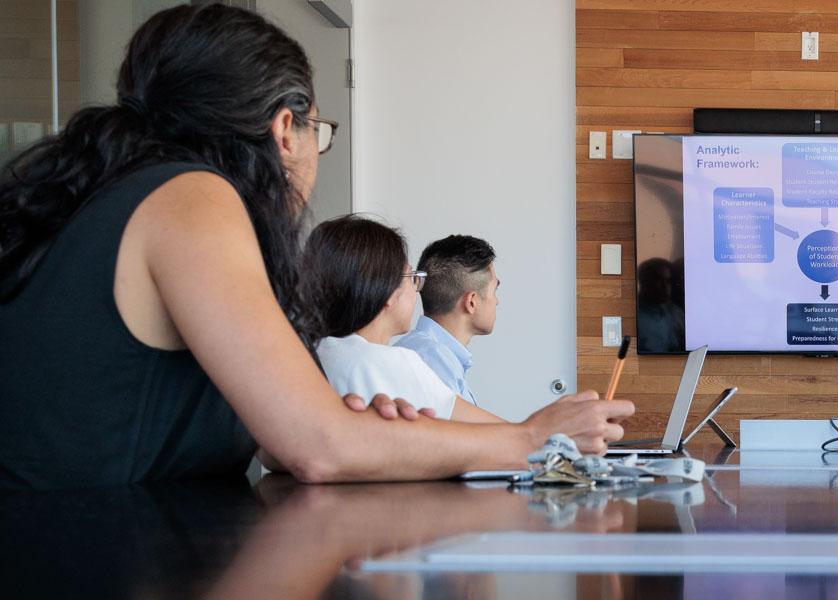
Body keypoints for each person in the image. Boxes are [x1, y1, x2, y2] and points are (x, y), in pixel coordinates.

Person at [0, 5, 631, 490]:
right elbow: (315, 448)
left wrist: (366, 431)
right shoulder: (192, 198)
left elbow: (281, 442)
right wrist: (530, 439)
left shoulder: (128, 194)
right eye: (319, 132)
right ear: (285, 129)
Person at [301, 216, 503, 423]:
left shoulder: (309, 357)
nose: (417, 288)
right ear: (387, 291)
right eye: (410, 276)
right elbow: (499, 435)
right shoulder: (391, 363)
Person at [394, 234, 500, 405]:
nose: (497, 301)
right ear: (471, 302)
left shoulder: (431, 353)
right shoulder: (433, 361)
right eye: (494, 290)